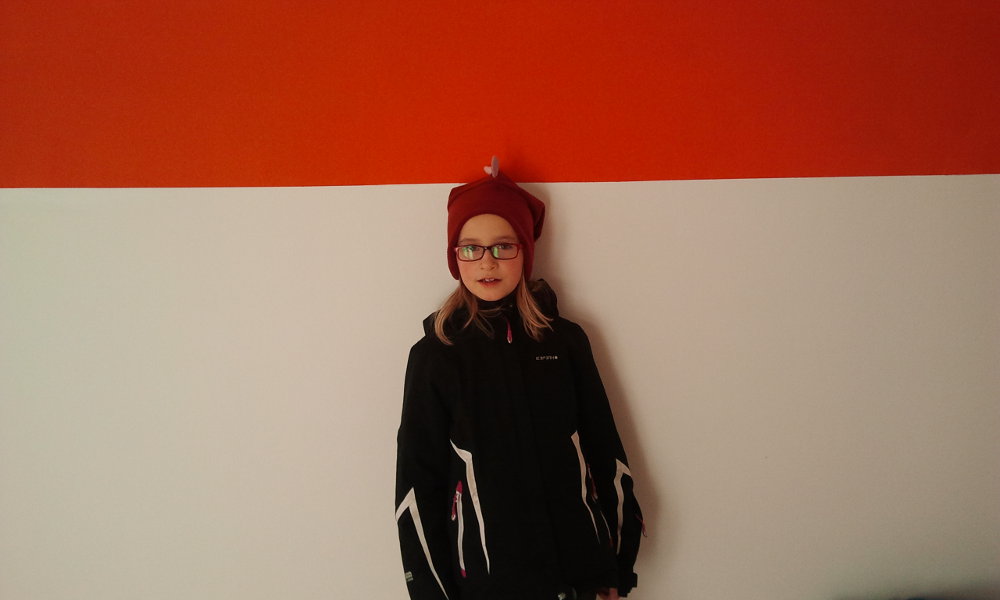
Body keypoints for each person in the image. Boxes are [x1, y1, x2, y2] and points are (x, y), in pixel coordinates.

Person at [395, 160, 643, 600]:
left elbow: (605, 449)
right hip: (489, 585)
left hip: (580, 576)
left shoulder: (565, 342)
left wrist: (616, 567)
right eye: (470, 248)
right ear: (455, 257)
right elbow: (417, 483)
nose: (487, 262)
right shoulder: (435, 355)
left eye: (503, 246)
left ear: (525, 251)